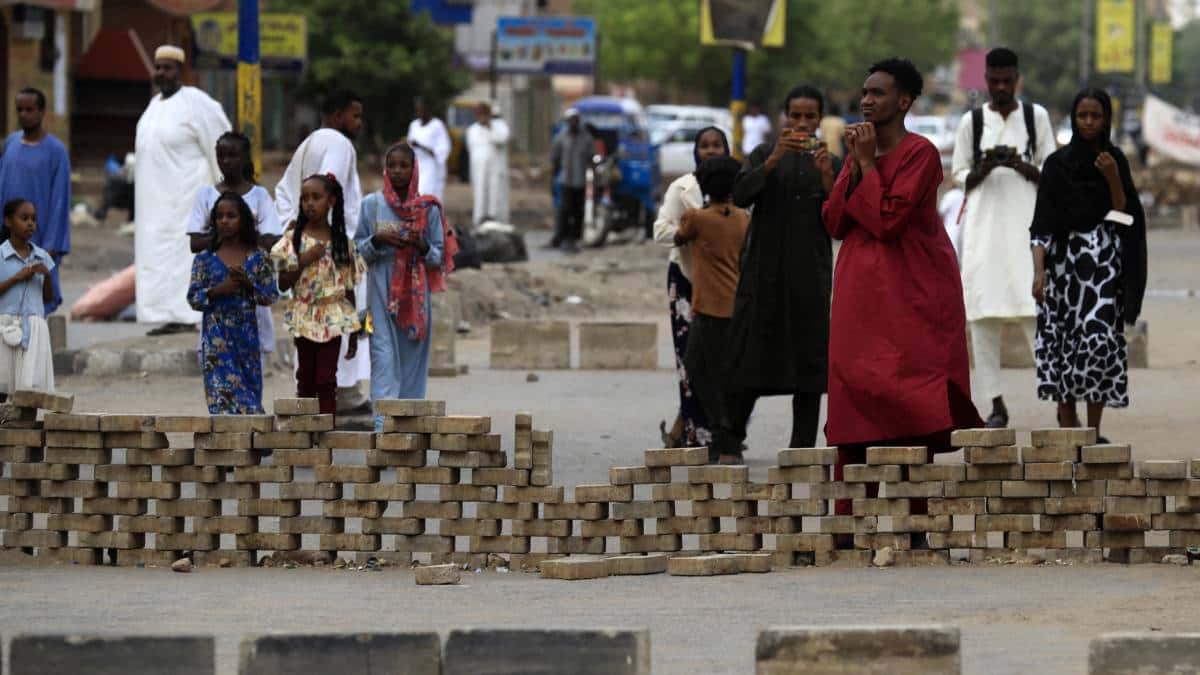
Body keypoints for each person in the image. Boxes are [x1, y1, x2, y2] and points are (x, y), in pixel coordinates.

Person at [822, 58, 982, 522]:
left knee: (910, 400)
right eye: (865, 92)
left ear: (905, 101)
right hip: (859, 293)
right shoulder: (859, 151)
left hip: (910, 291)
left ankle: (912, 521)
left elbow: (887, 220)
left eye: (878, 93)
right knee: (854, 397)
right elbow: (834, 221)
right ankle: (848, 521)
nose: (866, 101)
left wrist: (865, 163)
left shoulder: (921, 154)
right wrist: (855, 165)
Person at [723, 85, 837, 459]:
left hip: (810, 278)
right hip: (763, 274)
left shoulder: (832, 161)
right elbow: (741, 195)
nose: (802, 124)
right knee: (749, 354)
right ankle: (729, 440)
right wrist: (773, 160)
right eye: (795, 116)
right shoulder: (762, 153)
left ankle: (801, 450)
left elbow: (841, 219)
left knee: (809, 364)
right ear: (785, 117)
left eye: (809, 116)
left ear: (820, 119)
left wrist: (827, 177)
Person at [1030, 88, 1145, 441]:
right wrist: (1039, 271)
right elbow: (1041, 223)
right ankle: (1069, 429)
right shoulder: (1056, 164)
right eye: (1083, 115)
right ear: (1074, 117)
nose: (1089, 122)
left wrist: (1111, 175)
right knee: (1062, 345)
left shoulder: (1115, 159)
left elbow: (1124, 212)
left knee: (1099, 344)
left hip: (1103, 267)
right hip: (1063, 267)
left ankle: (1093, 433)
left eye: (1096, 115)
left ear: (1106, 118)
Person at [951, 47, 1057, 428]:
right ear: (986, 80)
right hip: (984, 236)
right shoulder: (972, 122)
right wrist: (984, 168)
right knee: (982, 319)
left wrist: (1019, 164)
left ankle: (1060, 400)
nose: (1000, 87)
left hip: (1028, 234)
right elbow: (958, 175)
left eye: (1006, 81)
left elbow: (1052, 171)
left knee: (1039, 318)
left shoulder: (1035, 117)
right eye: (994, 81)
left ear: (1017, 80)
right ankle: (995, 404)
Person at [275, 90, 370, 414]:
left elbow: (283, 190)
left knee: (309, 367)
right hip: (329, 262)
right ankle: (343, 398)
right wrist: (322, 236)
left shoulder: (309, 142)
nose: (359, 123)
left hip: (311, 273)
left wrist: (293, 227)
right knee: (329, 352)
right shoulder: (338, 143)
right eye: (355, 116)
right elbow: (330, 183)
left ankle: (316, 411)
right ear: (338, 115)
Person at [356, 143, 459, 431]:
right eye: (392, 166)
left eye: (404, 166)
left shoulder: (428, 209)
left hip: (415, 302)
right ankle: (383, 429)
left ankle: (408, 429)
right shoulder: (371, 205)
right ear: (385, 170)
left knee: (412, 365)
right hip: (379, 297)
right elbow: (356, 253)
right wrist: (378, 241)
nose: (398, 171)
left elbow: (439, 257)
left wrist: (420, 245)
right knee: (382, 359)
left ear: (414, 170)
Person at [134, 45, 232, 336]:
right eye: (158, 67)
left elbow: (223, 150)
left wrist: (226, 197)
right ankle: (166, 317)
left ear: (182, 71)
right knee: (157, 261)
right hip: (153, 207)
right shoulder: (153, 107)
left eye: (168, 68)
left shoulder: (198, 104)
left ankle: (189, 316)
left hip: (188, 203)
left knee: (185, 259)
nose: (161, 73)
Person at [652, 127, 731, 450]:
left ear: (726, 150)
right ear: (696, 151)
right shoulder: (681, 188)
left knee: (722, 361)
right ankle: (697, 432)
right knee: (690, 360)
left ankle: (714, 430)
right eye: (705, 145)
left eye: (717, 145)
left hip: (725, 285)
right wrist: (687, 233)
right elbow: (660, 231)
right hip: (686, 282)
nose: (710, 150)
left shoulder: (739, 189)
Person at [186, 132, 283, 366]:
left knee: (251, 363)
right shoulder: (206, 195)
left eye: (232, 155)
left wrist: (238, 239)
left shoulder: (259, 196)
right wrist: (232, 238)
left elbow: (272, 239)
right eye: (221, 156)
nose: (226, 161)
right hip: (217, 295)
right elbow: (195, 242)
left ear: (246, 158)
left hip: (249, 295)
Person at [676, 157, 750, 464]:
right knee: (728, 375)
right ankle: (730, 435)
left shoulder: (697, 218)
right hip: (736, 307)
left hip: (708, 309)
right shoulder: (743, 218)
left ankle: (725, 437)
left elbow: (679, 236)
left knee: (698, 369)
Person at [271, 175, 365, 415]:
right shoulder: (293, 240)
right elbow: (283, 283)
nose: (309, 203)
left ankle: (325, 428)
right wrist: (304, 259)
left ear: (331, 201)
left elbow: (349, 288)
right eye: (304, 198)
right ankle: (304, 426)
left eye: (316, 197)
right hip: (304, 315)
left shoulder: (342, 243)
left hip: (332, 317)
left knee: (326, 378)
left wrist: (354, 332)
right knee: (305, 377)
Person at [187, 192, 278, 414]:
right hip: (216, 341)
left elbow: (270, 296)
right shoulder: (204, 259)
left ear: (243, 220)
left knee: (250, 399)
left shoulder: (258, 258)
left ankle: (253, 435)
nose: (224, 221)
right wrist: (218, 291)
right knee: (223, 400)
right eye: (219, 217)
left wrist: (248, 285)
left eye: (231, 216)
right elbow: (194, 298)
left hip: (247, 341)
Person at [0, 88, 71, 315]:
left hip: (37, 238)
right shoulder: (11, 144)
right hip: (8, 237)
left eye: (29, 109)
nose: (23, 114)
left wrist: (51, 246)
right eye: (19, 110)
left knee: (35, 303)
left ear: (41, 112)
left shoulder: (56, 151)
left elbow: (60, 201)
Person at [0, 199, 55, 396]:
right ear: (8, 221)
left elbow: (48, 297)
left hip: (34, 329)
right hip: (5, 327)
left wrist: (47, 275)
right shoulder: (1, 255)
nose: (30, 223)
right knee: (3, 385)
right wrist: (16, 278)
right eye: (24, 218)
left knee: (30, 391)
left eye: (33, 219)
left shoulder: (42, 256)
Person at [549, 109, 594, 253]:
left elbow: (592, 159)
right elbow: (555, 160)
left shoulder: (586, 139)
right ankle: (562, 238)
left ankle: (576, 239)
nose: (573, 123)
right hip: (565, 181)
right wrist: (553, 180)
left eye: (576, 120)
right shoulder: (561, 138)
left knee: (578, 212)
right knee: (564, 211)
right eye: (571, 120)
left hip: (580, 181)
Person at [466, 101, 511, 226]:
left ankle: (497, 220)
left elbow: (502, 139)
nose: (481, 116)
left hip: (496, 171)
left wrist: (489, 126)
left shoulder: (500, 126)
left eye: (483, 113)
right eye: (478, 113)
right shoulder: (472, 130)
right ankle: (479, 221)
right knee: (480, 196)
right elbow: (472, 151)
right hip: (479, 172)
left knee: (496, 196)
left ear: (488, 114)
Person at [407, 98, 451, 201]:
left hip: (431, 166)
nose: (420, 113)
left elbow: (443, 148)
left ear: (428, 110)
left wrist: (421, 146)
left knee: (425, 193)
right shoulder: (414, 125)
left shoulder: (437, 125)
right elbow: (410, 142)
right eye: (417, 110)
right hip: (417, 164)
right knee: (415, 194)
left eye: (422, 110)